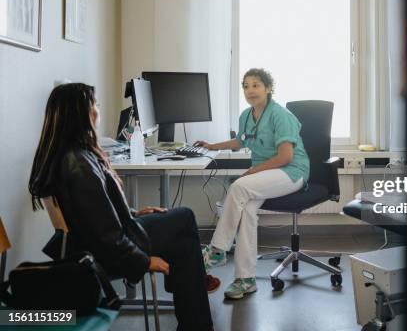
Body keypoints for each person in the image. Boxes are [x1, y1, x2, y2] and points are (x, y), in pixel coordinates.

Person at [28, 83, 218, 331]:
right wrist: (143, 262)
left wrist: (134, 213)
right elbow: (106, 235)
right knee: (183, 220)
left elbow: (95, 214)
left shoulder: (69, 155)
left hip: (92, 243)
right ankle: (195, 306)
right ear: (81, 113)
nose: (98, 110)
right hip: (100, 254)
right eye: (94, 105)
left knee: (182, 236)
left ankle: (193, 305)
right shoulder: (79, 165)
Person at [196, 68, 310, 299]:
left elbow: (286, 157)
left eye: (256, 85)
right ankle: (245, 279)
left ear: (268, 88)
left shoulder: (280, 115)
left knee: (239, 186)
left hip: (291, 172)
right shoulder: (246, 115)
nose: (250, 90)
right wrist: (211, 146)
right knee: (246, 210)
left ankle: (217, 250)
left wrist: (252, 171)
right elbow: (239, 141)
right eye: (246, 86)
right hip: (266, 175)